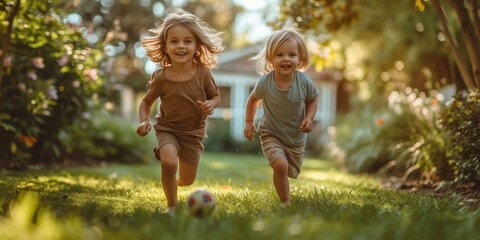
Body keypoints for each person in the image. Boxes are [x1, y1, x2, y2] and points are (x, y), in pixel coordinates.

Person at [136, 9, 223, 213]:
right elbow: (146, 102)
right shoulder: (161, 77)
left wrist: (211, 104)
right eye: (174, 41)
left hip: (193, 133)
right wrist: (143, 120)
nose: (181, 46)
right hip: (167, 128)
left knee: (187, 179)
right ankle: (172, 206)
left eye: (187, 41)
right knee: (168, 163)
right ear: (166, 46)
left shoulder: (203, 74)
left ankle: (177, 182)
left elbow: (216, 97)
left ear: (196, 46)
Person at [244, 26, 319, 206]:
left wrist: (309, 118)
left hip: (295, 138)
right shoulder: (265, 82)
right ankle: (286, 202)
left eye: (291, 55)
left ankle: (285, 196)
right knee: (280, 166)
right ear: (271, 58)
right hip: (271, 133)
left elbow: (312, 100)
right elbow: (253, 100)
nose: (286, 59)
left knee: (290, 170)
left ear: (300, 58)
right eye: (280, 55)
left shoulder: (304, 81)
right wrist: (248, 122)